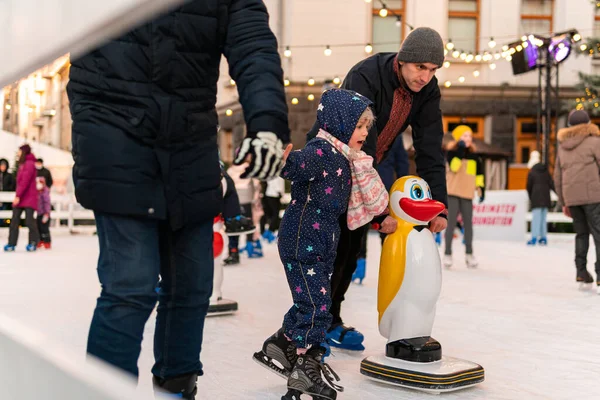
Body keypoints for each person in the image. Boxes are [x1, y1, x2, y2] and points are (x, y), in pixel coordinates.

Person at [66, 1, 289, 398]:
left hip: (190, 138)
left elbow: (252, 44)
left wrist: (267, 122)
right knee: (130, 283)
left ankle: (177, 387)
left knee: (192, 285)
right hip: (114, 130)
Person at [307, 27, 448, 350]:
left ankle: (330, 321)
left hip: (365, 165)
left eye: (433, 70)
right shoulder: (366, 75)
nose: (425, 76)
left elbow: (429, 146)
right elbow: (359, 143)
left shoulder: (427, 91)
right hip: (330, 163)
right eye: (420, 67)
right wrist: (379, 208)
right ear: (402, 60)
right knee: (330, 249)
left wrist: (439, 204)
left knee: (352, 246)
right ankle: (310, 327)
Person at [254, 89, 388, 400]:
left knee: (314, 300)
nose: (365, 133)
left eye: (367, 127)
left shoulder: (345, 156)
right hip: (303, 239)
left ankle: (283, 343)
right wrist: (283, 159)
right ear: (339, 123)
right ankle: (306, 366)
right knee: (316, 305)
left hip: (322, 240)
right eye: (359, 126)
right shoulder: (321, 151)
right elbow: (296, 166)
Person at [554, 110, 600, 290]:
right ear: (588, 123)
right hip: (593, 196)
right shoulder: (595, 142)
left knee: (581, 234)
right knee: (598, 233)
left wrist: (563, 201)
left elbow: (557, 176)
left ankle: (581, 272)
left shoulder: (562, 146)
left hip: (572, 197)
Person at [443, 125, 485, 268]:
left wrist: (481, 189)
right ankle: (447, 254)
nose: (468, 138)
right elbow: (454, 167)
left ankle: (469, 254)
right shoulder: (451, 153)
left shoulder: (475, 156)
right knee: (451, 223)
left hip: (467, 193)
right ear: (458, 138)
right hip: (453, 192)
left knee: (468, 225)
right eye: (465, 136)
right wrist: (460, 150)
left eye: (470, 136)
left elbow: (479, 175)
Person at [4, 144, 40, 252]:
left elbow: (25, 181)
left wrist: (18, 196)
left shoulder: (29, 164)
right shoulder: (22, 164)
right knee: (14, 220)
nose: (18, 153)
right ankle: (11, 243)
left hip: (28, 197)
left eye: (19, 151)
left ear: (24, 152)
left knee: (29, 221)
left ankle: (33, 242)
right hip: (22, 196)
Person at [227, 161, 263, 257]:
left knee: (235, 223)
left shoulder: (231, 170)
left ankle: (234, 250)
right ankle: (250, 245)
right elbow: (256, 183)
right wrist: (256, 199)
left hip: (235, 199)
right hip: (247, 198)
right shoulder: (249, 167)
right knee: (248, 223)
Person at [526, 150, 554, 246]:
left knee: (536, 219)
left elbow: (528, 186)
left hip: (536, 198)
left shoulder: (532, 172)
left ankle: (534, 237)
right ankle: (543, 237)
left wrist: (531, 197)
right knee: (543, 219)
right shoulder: (545, 171)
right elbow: (551, 184)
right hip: (546, 198)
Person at [260, 175, 285, 242]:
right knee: (275, 213)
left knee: (273, 213)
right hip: (274, 194)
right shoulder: (276, 171)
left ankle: (269, 232)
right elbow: (274, 182)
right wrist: (279, 191)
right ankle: (270, 232)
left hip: (272, 194)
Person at [36, 176, 52, 249]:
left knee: (44, 229)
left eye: (40, 183)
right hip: (38, 213)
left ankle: (47, 242)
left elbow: (47, 203)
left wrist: (47, 213)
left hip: (44, 214)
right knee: (38, 228)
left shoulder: (45, 192)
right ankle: (40, 240)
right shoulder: (37, 192)